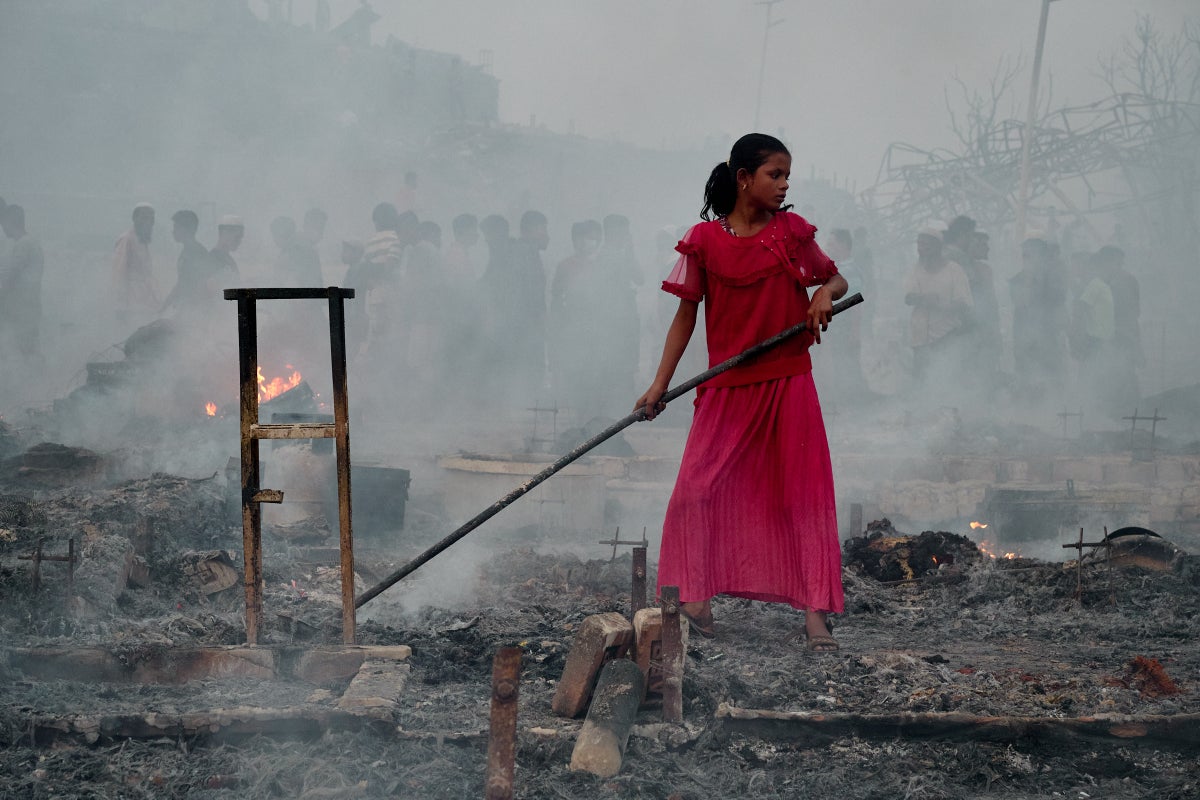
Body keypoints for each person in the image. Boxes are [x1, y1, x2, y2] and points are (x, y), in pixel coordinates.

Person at [635, 133, 848, 650]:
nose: (784, 185)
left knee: (802, 495)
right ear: (744, 178)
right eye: (775, 175)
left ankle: (815, 614)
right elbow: (685, 318)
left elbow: (836, 280)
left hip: (788, 380)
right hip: (727, 385)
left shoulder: (791, 234)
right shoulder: (704, 241)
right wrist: (659, 385)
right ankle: (696, 600)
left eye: (786, 176)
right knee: (695, 492)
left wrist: (822, 294)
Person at [903, 227, 973, 383]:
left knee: (945, 381)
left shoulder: (954, 270)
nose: (921, 249)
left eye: (926, 245)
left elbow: (964, 303)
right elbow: (908, 297)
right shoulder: (916, 269)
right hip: (920, 338)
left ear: (938, 247)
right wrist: (923, 298)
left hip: (947, 335)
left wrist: (940, 305)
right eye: (919, 245)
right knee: (921, 382)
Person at [0, 204, 45, 368]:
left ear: (11, 222)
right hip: (28, 307)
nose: (2, 227)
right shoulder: (31, 242)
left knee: (26, 350)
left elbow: (11, 277)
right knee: (29, 349)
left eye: (3, 222)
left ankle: (34, 384)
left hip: (23, 309)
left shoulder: (24, 245)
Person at [111, 203, 160, 322]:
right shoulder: (127, 239)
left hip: (145, 302)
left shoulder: (142, 240)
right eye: (144, 218)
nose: (148, 222)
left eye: (151, 219)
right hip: (132, 304)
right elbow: (119, 273)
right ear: (135, 219)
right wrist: (120, 305)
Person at [161, 209, 216, 313]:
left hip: (193, 310)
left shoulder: (197, 252)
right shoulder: (187, 250)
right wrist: (165, 305)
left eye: (176, 227)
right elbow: (182, 282)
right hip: (185, 307)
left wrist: (192, 311)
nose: (173, 231)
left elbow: (203, 283)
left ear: (186, 229)